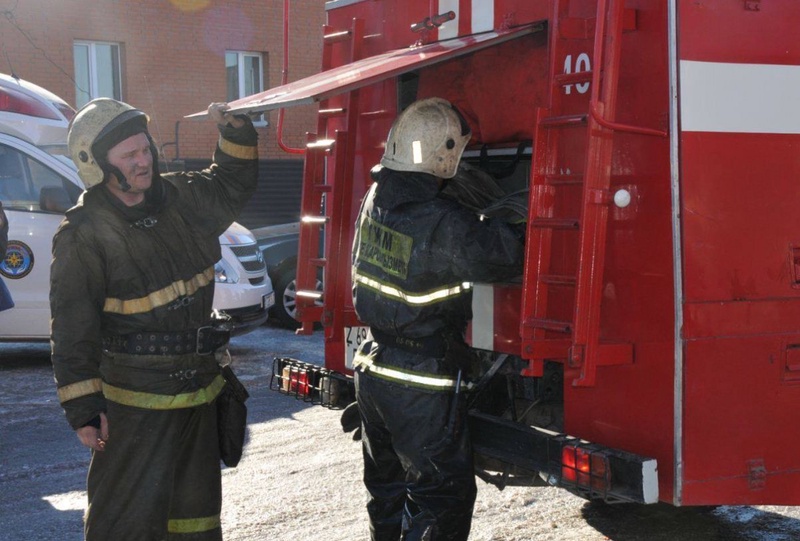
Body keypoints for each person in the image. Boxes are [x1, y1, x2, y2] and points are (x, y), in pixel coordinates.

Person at [50, 98, 258, 541]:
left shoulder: (181, 196)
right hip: (134, 406)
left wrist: (236, 133)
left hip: (200, 393)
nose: (143, 161)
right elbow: (73, 327)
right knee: (125, 524)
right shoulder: (83, 234)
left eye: (145, 149)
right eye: (129, 155)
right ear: (97, 164)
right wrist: (84, 407)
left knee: (195, 522)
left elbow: (229, 186)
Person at [350, 97, 526, 541]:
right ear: (445, 155)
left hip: (373, 370)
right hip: (420, 384)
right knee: (441, 501)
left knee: (387, 493)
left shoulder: (376, 197)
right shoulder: (443, 221)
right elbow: (507, 257)